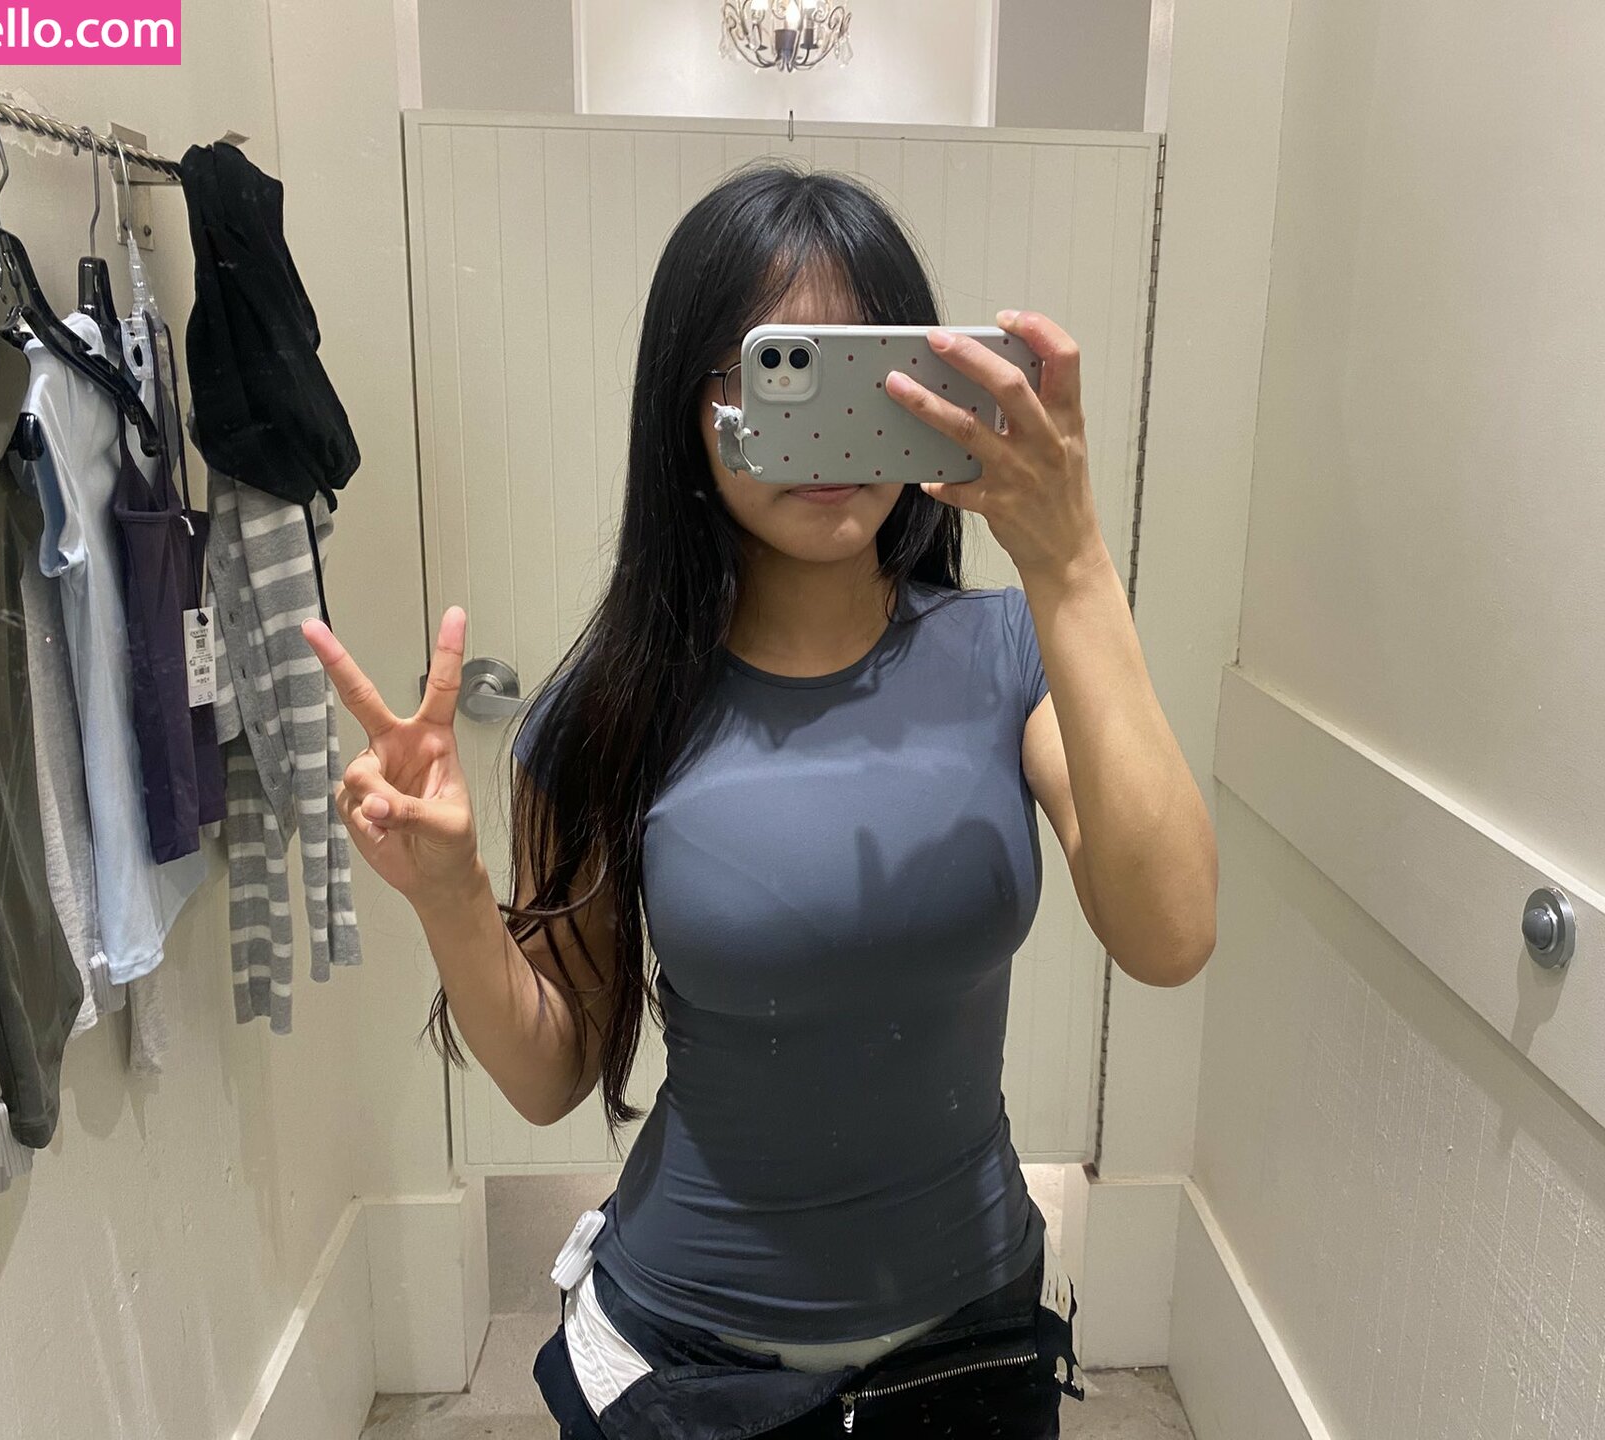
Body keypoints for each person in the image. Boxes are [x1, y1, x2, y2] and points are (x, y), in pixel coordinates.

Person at [302, 164, 1217, 1437]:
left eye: (868, 376)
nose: (832, 434)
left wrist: (1072, 564)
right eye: (782, 374)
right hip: (692, 1366)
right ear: (689, 410)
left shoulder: (1013, 655)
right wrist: (452, 896)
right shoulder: (607, 713)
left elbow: (1170, 934)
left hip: (973, 1345)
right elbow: (553, 1071)